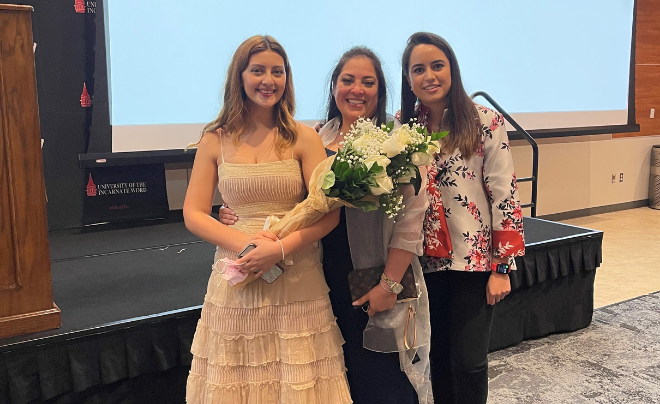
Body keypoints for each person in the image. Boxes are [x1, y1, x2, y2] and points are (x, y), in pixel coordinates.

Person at [220, 47, 433, 404]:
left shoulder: (399, 143)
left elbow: (411, 220)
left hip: (375, 275)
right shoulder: (316, 136)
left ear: (380, 91)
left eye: (368, 82)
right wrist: (234, 212)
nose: (357, 90)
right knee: (337, 376)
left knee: (384, 379)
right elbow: (292, 199)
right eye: (347, 80)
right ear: (334, 86)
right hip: (319, 275)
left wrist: (390, 284)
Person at [183, 35, 351, 404]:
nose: (268, 80)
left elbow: (328, 214)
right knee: (237, 380)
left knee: (300, 377)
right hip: (237, 273)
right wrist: (246, 247)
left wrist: (278, 248)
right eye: (257, 70)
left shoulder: (304, 137)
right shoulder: (215, 140)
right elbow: (193, 213)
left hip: (297, 274)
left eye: (278, 71)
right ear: (239, 77)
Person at [398, 32, 525, 404]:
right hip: (423, 262)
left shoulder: (484, 121)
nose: (429, 76)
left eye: (437, 66)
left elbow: (505, 197)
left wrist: (502, 269)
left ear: (451, 69)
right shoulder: (404, 130)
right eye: (418, 69)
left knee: (469, 362)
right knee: (438, 357)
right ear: (408, 79)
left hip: (475, 263)